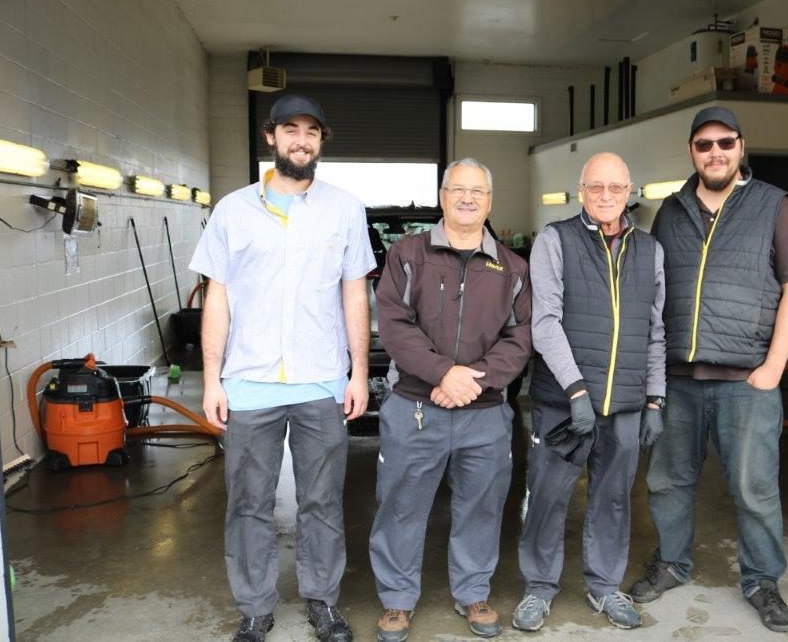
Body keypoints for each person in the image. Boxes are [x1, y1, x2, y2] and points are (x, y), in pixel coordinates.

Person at [191, 94, 375, 642]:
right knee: (249, 502)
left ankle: (321, 601)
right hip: (248, 383)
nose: (301, 140)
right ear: (270, 137)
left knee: (322, 500)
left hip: (321, 379)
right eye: (290, 129)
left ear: (321, 141)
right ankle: (254, 606)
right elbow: (217, 298)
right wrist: (211, 379)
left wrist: (359, 372)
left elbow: (354, 295)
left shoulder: (344, 209)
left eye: (312, 131)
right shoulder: (232, 210)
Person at [631, 106, 788, 633]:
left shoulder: (772, 206)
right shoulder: (671, 210)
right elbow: (656, 293)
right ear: (691, 150)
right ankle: (671, 563)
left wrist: (773, 368)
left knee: (754, 488)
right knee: (667, 481)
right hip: (679, 379)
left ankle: (762, 581)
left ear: (741, 147)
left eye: (725, 143)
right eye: (705, 144)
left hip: (745, 381)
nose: (715, 152)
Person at [369, 158, 533, 642]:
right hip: (415, 408)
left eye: (477, 192)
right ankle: (397, 602)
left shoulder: (512, 267)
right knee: (400, 503)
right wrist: (444, 373)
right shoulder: (406, 254)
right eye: (458, 190)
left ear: (490, 202)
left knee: (482, 505)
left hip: (483, 412)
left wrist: (471, 382)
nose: (467, 199)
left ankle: (473, 592)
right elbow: (395, 325)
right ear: (443, 196)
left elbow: (520, 338)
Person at [513, 152, 666, 632]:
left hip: (623, 406)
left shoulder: (651, 251)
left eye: (615, 188)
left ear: (630, 192)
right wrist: (576, 389)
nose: (605, 196)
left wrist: (655, 399)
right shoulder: (556, 241)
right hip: (563, 405)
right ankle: (539, 588)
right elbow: (545, 322)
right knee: (547, 496)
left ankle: (604, 586)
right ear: (581, 190)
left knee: (614, 499)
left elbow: (654, 331)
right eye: (595, 187)